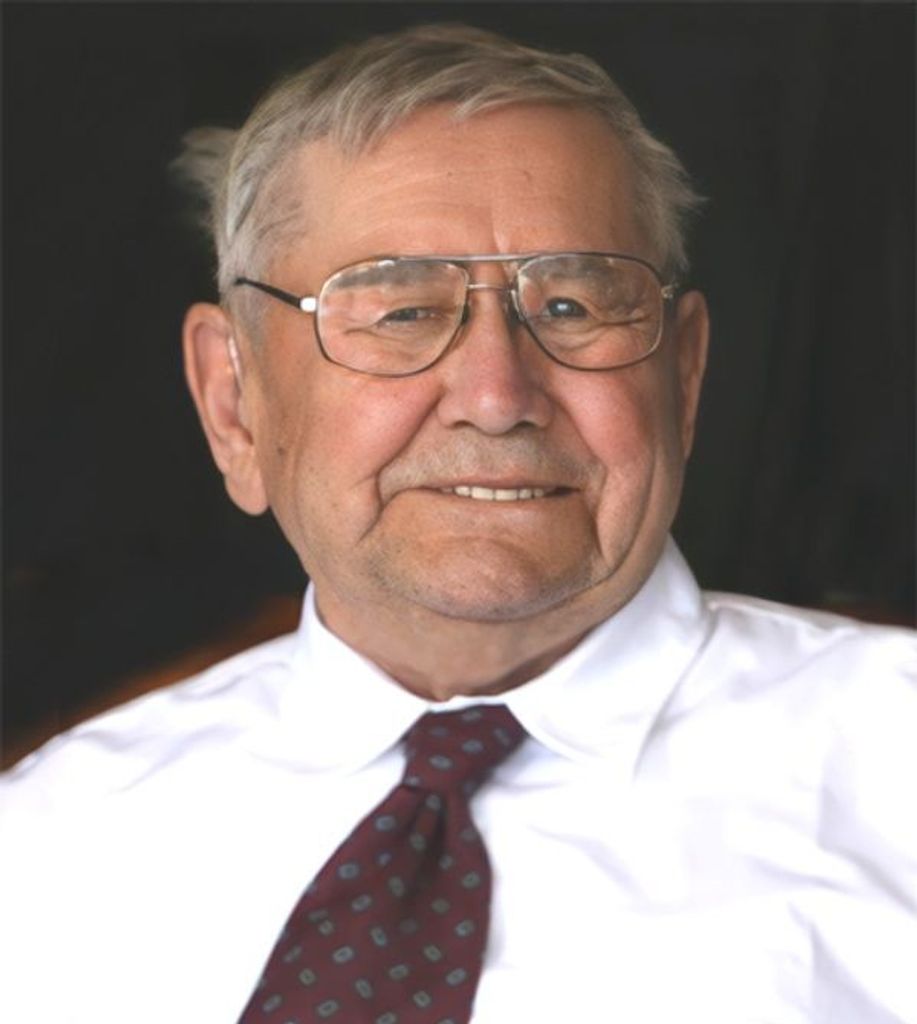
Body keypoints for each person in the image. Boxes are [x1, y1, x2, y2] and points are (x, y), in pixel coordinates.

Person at [1, 23, 914, 1024]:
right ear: (233, 403)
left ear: (683, 378)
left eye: (571, 307)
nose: (494, 395)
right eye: (399, 313)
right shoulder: (47, 847)